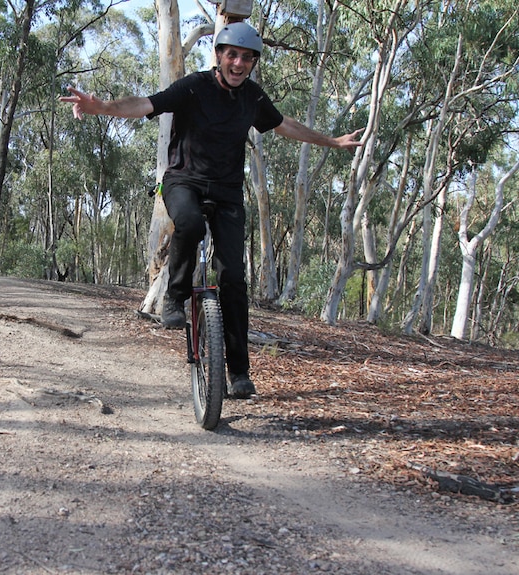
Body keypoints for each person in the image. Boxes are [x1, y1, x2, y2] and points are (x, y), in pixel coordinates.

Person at [60, 21, 362, 399]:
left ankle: (238, 373)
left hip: (227, 192)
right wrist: (101, 107)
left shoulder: (252, 97)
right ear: (218, 56)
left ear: (252, 63)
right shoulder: (193, 87)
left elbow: (285, 125)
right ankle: (176, 296)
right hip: (183, 181)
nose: (238, 63)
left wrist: (332, 141)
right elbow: (144, 105)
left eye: (246, 58)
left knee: (233, 277)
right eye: (231, 55)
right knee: (188, 223)